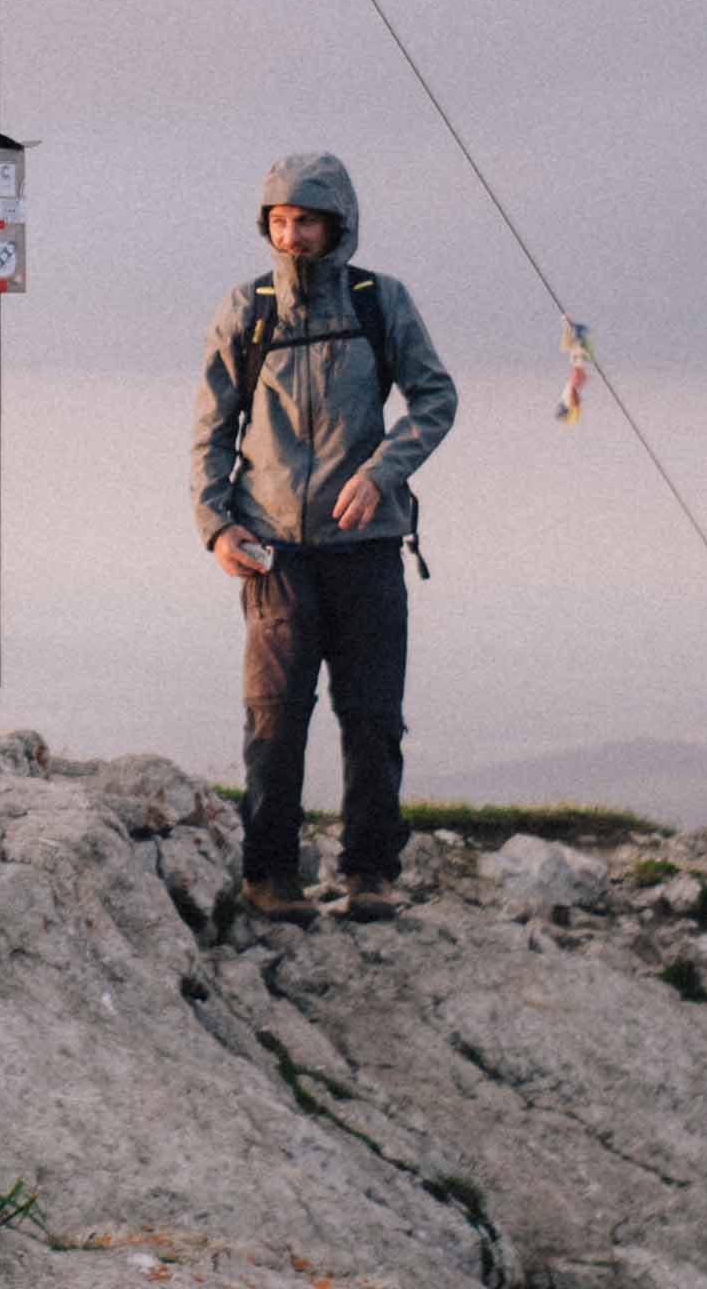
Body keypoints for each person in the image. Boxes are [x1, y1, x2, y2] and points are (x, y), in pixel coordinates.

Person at [189, 152, 456, 925]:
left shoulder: (380, 302)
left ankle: (371, 874)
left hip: (367, 542)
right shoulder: (249, 309)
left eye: (306, 221)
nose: (292, 235)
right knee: (275, 714)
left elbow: (435, 398)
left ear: (338, 225)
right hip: (273, 546)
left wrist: (382, 471)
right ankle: (270, 877)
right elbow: (211, 429)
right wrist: (216, 527)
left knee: (373, 715)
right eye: (279, 220)